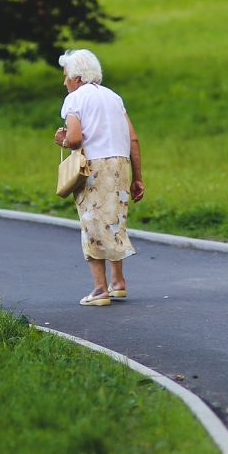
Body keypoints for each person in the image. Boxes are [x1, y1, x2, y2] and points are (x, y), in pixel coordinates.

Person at [54, 49, 144, 307]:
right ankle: (118, 283)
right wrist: (138, 178)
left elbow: (74, 139)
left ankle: (99, 290)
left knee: (92, 225)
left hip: (94, 167)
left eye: (66, 76)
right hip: (120, 165)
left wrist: (62, 140)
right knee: (113, 222)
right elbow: (133, 139)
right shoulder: (114, 97)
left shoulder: (74, 99)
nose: (64, 82)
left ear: (77, 77)